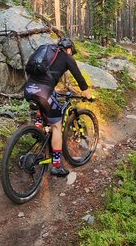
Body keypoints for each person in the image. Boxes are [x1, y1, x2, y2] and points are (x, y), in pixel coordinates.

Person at [23, 37, 91, 177]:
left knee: (46, 102)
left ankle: (38, 128)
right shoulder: (66, 57)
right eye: (72, 52)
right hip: (44, 92)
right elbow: (80, 79)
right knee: (57, 127)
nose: (71, 54)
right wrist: (88, 95)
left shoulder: (46, 49)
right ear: (69, 49)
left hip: (29, 88)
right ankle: (56, 166)